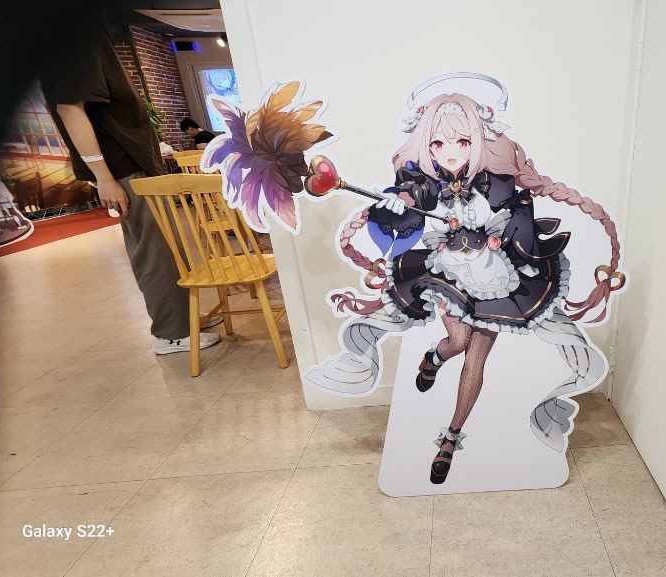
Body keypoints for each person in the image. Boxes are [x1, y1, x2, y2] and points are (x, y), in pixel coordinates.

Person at [204, 78, 625, 485]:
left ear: (478, 140)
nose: (451, 152)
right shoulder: (422, 179)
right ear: (426, 144)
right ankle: (436, 358)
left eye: (462, 142)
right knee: (457, 342)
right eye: (438, 143)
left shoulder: (497, 180)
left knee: (476, 359)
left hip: (495, 277)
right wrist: (397, 203)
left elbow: (520, 216)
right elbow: (410, 200)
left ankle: (450, 438)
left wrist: (502, 236)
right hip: (447, 273)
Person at [40, 25, 221, 355]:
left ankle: (181, 319)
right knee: (153, 249)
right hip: (123, 167)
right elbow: (69, 109)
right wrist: (103, 177)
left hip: (132, 164)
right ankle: (172, 332)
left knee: (166, 245)